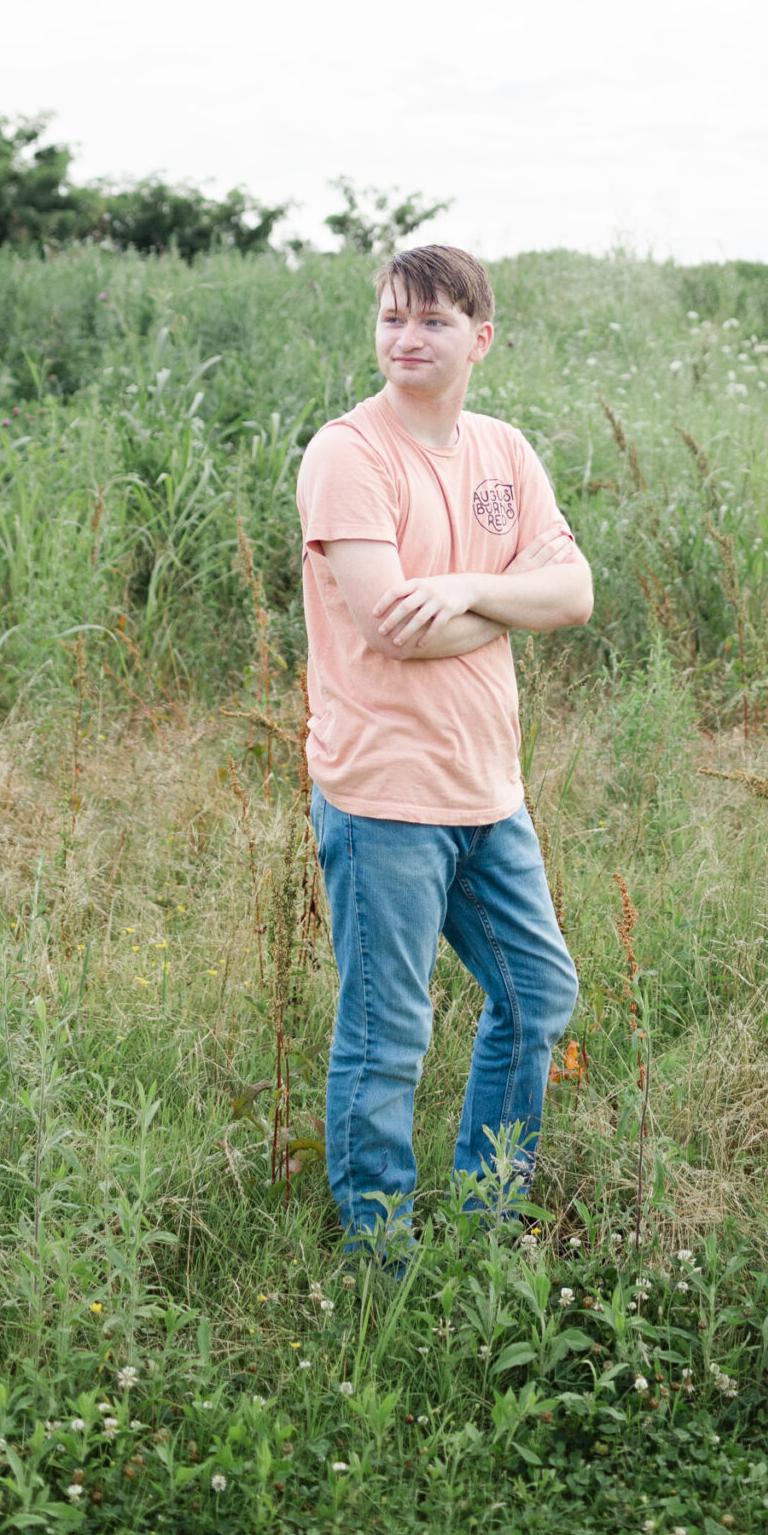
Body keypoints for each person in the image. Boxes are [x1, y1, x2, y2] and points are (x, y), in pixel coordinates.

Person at [295, 243, 593, 1242]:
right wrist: (517, 603)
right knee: (388, 1034)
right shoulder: (350, 453)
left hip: (486, 790)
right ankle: (380, 1255)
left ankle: (486, 1211)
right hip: (383, 792)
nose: (406, 338)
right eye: (391, 317)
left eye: (430, 320)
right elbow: (391, 626)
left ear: (480, 338)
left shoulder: (504, 452)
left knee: (538, 992)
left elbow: (578, 593)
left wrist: (468, 589)